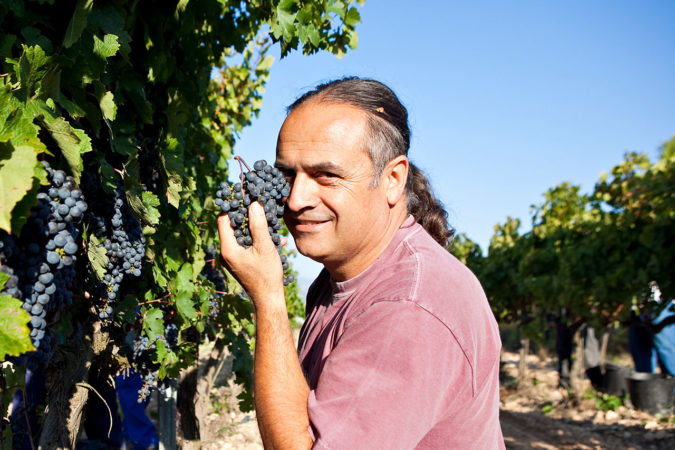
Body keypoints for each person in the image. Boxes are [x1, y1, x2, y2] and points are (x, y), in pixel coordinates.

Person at [218, 77, 504, 449]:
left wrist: (269, 297)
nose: (296, 199)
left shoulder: (408, 308)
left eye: (327, 175)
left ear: (392, 179)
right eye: (288, 174)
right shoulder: (340, 278)